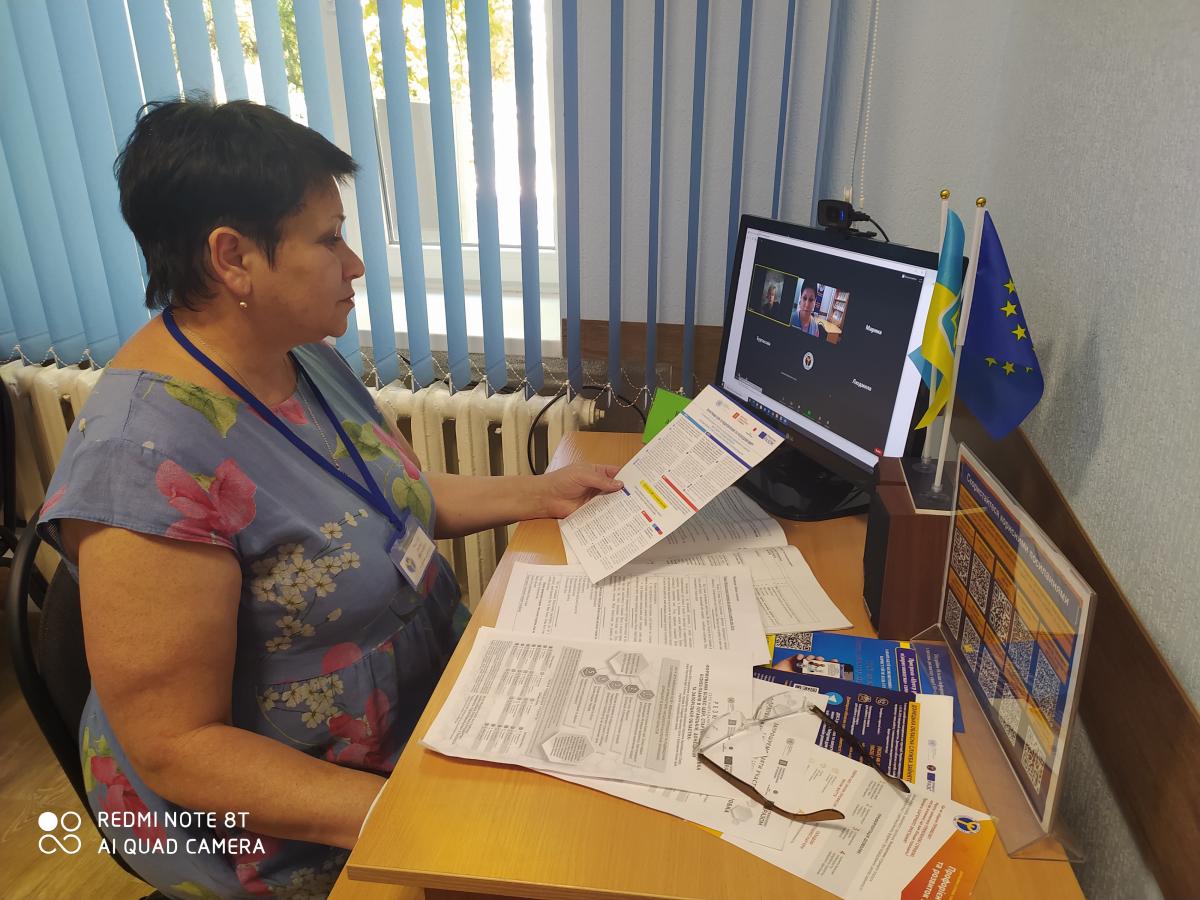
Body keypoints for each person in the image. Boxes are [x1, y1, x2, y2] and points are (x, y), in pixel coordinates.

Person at [36, 98, 623, 898]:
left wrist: (543, 491)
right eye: (329, 239)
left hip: (414, 725)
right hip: (285, 820)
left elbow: (381, 500)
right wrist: (413, 814)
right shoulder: (140, 458)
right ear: (233, 258)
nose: (355, 264)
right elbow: (178, 749)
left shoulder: (295, 354)